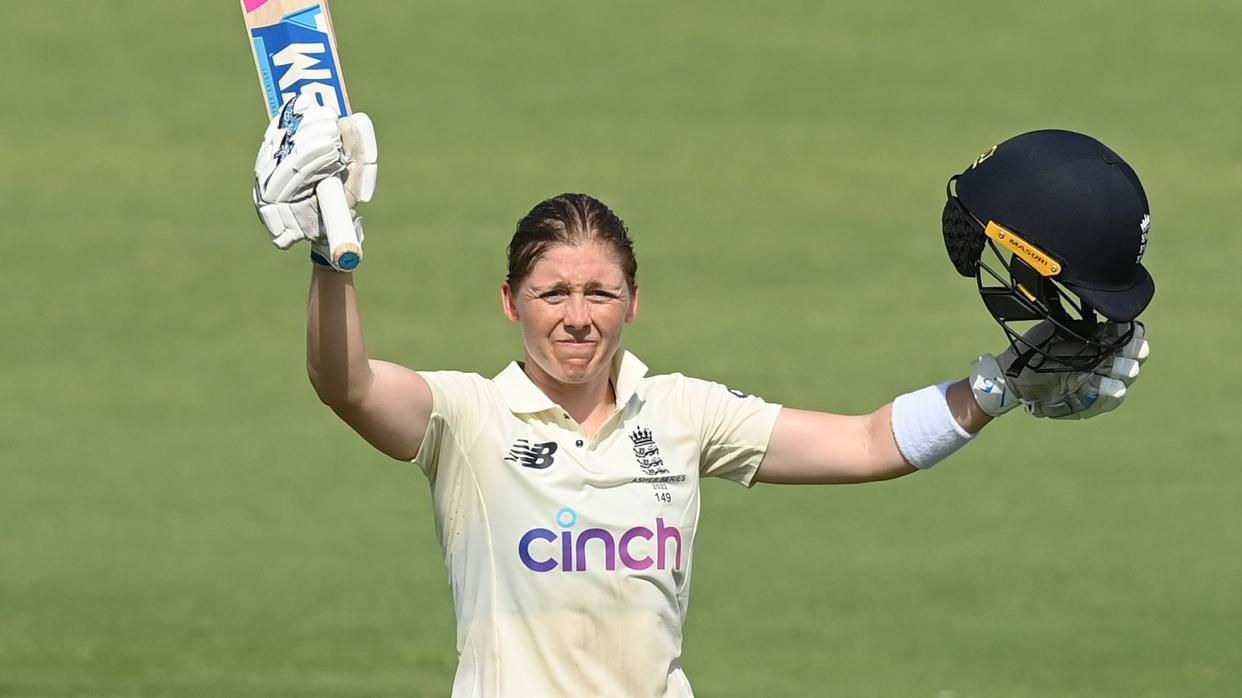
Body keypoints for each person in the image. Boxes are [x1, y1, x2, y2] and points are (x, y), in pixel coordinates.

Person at [252, 97, 1153, 697]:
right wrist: (333, 262)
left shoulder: (682, 413)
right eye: (552, 295)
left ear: (634, 303)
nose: (577, 319)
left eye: (599, 294)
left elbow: (869, 443)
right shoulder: (467, 419)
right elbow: (347, 384)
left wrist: (994, 388)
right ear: (509, 303)